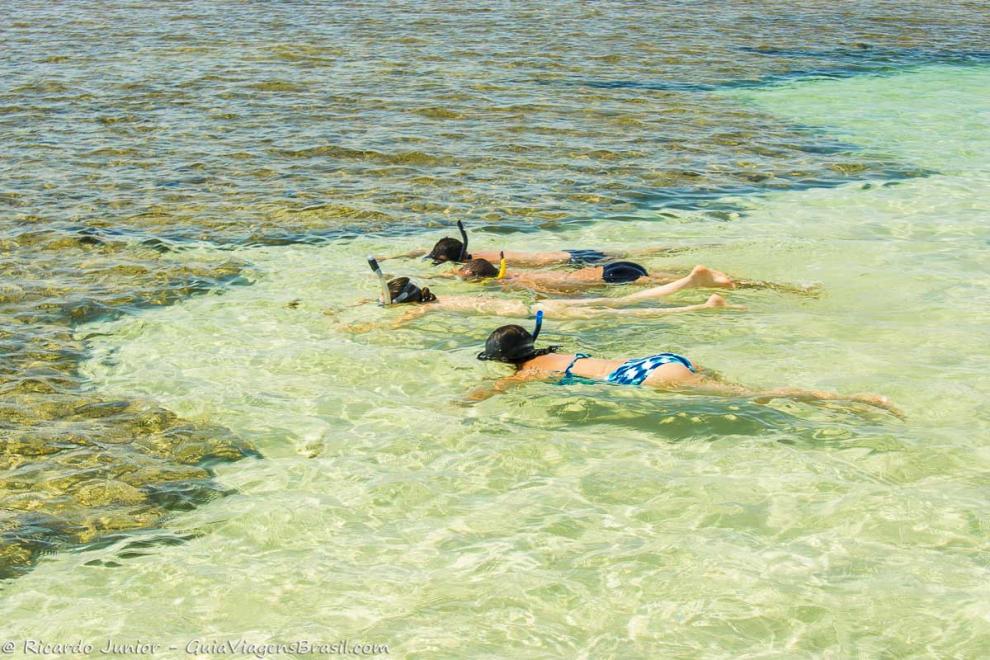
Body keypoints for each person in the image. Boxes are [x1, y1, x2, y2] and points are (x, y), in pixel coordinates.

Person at [468, 314, 902, 417]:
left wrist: (460, 404)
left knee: (753, 394)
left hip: (647, 378)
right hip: (657, 359)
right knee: (742, 387)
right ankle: (844, 400)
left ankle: (851, 399)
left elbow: (493, 392)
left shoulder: (529, 372)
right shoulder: (559, 356)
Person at [339, 277, 738, 333]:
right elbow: (394, 304)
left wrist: (362, 328)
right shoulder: (441, 297)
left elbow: (397, 322)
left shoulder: (427, 309)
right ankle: (690, 282)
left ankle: (699, 307)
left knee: (627, 310)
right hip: (534, 303)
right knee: (625, 299)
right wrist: (361, 301)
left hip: (540, 314)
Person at [386, 220, 686, 267]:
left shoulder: (476, 263)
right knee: (639, 253)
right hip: (569, 251)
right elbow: (423, 252)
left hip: (570, 262)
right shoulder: (474, 253)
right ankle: (682, 247)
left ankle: (683, 249)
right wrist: (393, 256)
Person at [441, 256, 733, 295]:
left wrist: (579, 294)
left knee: (661, 283)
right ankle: (733, 279)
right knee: (655, 276)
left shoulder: (517, 281)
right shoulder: (512, 273)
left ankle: (718, 282)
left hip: (610, 277)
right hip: (616, 266)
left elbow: (554, 292)